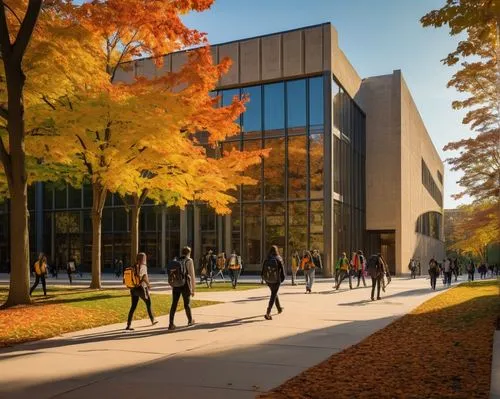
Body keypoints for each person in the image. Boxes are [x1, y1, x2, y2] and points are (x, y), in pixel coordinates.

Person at [125, 252, 158, 330]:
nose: (146, 259)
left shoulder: (133, 266)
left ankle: (128, 325)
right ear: (143, 259)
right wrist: (149, 285)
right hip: (141, 288)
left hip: (133, 289)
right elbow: (144, 277)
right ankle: (153, 320)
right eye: (145, 258)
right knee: (148, 303)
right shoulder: (143, 266)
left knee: (133, 306)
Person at [168, 246, 196, 330]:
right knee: (187, 303)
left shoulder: (177, 260)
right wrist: (193, 289)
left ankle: (171, 323)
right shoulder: (189, 260)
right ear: (189, 253)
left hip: (176, 284)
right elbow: (192, 275)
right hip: (185, 284)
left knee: (174, 304)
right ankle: (190, 321)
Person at [261, 245, 285, 320]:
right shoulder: (279, 258)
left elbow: (263, 271)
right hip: (276, 280)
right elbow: (283, 272)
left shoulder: (267, 259)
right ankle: (268, 312)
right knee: (273, 294)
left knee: (274, 293)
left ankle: (279, 308)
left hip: (268, 280)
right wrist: (282, 279)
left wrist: (263, 278)